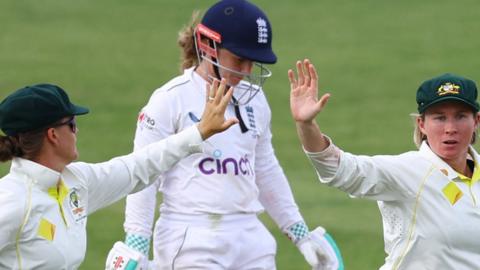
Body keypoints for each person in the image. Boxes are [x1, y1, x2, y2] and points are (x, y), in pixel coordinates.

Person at [115, 1, 343, 269]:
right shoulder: (169, 100)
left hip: (251, 237)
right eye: (239, 59)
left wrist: (300, 233)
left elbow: (265, 169)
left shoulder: (255, 101)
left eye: (252, 62)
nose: (246, 71)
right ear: (207, 46)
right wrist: (136, 242)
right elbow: (143, 174)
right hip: (190, 235)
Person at [0, 81, 237, 270]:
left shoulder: (76, 181)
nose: (77, 130)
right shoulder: (13, 201)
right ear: (53, 135)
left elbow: (137, 167)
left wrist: (199, 132)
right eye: (71, 124)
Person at [289, 59, 480, 269]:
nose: (450, 128)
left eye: (460, 116)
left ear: (476, 121)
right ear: (422, 124)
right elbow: (339, 169)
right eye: (440, 118)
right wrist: (306, 124)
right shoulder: (409, 171)